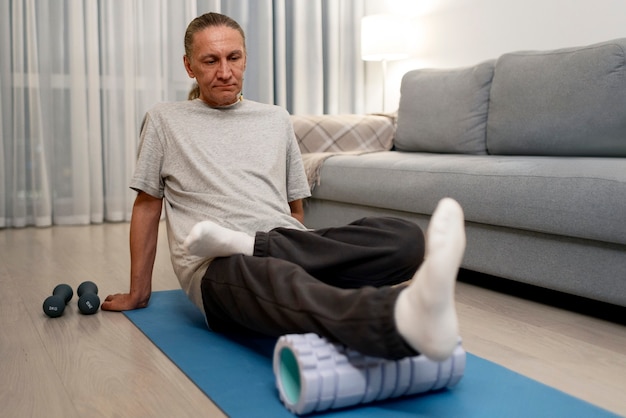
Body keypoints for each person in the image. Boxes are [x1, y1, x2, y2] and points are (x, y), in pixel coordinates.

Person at [102, 12, 466, 362]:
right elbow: (148, 205)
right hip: (218, 266)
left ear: (246, 58)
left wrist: (308, 256)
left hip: (285, 244)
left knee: (405, 238)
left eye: (234, 57)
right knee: (269, 274)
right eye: (210, 61)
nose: (225, 72)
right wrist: (139, 292)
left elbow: (295, 212)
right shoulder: (165, 119)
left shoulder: (276, 118)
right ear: (189, 66)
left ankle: (260, 250)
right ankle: (400, 318)